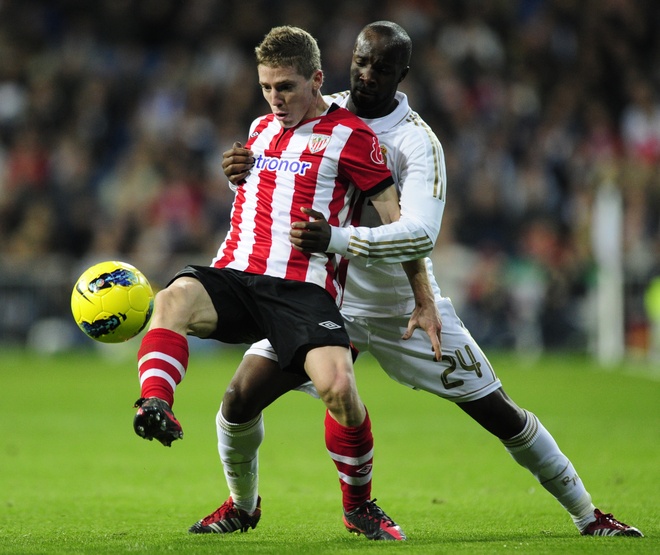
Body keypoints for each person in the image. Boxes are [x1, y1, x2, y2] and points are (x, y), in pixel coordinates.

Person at [192, 21, 643, 539]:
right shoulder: (316, 107)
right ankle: (242, 507)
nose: (366, 75)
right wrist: (240, 170)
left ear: (402, 75)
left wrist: (376, 266)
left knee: (497, 412)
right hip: (318, 298)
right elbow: (270, 183)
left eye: (382, 68)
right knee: (239, 399)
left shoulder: (417, 143)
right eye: (361, 61)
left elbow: (420, 233)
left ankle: (589, 515)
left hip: (399, 306)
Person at [131, 25, 406, 541]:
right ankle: (157, 404)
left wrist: (418, 293)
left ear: (317, 79)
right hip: (239, 273)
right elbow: (268, 194)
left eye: (286, 87)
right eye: (266, 88)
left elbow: (399, 222)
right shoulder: (259, 130)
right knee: (172, 298)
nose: (275, 99)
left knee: (338, 391)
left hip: (303, 292)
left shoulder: (353, 137)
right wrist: (235, 173)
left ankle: (360, 506)